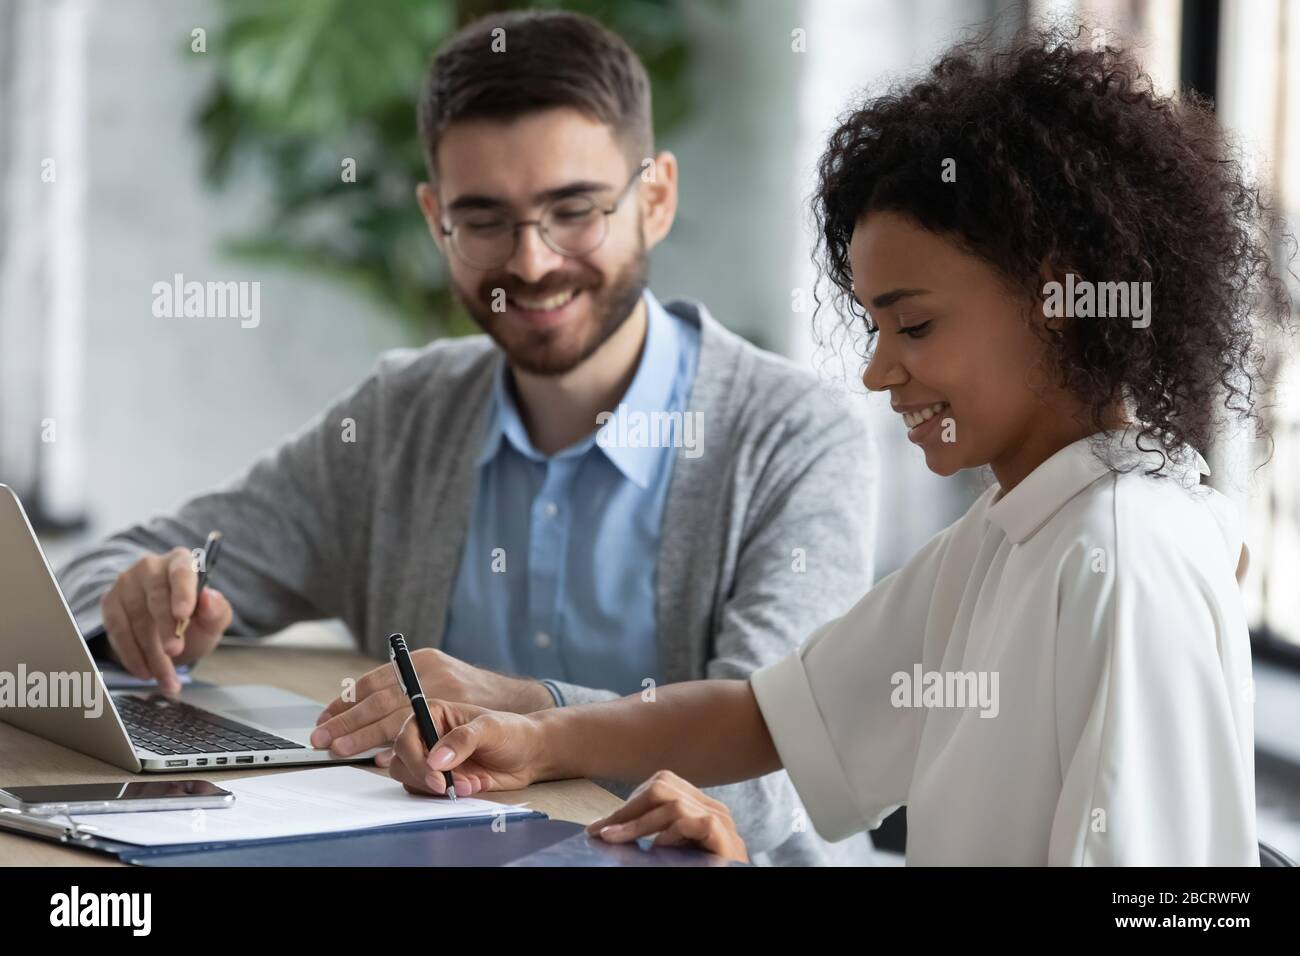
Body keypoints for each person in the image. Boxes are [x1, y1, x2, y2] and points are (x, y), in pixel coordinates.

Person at [386, 26, 1290, 865]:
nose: (877, 372)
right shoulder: (1013, 532)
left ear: (1058, 299)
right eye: (872, 327)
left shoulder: (1117, 555)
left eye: (916, 326)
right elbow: (774, 716)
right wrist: (539, 740)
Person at [57, 10, 879, 866]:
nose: (529, 262)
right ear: (434, 219)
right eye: (484, 221)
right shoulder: (399, 419)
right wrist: (143, 605)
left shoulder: (793, 437)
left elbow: (775, 771)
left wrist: (533, 710)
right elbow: (105, 571)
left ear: (657, 197)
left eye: (574, 210)